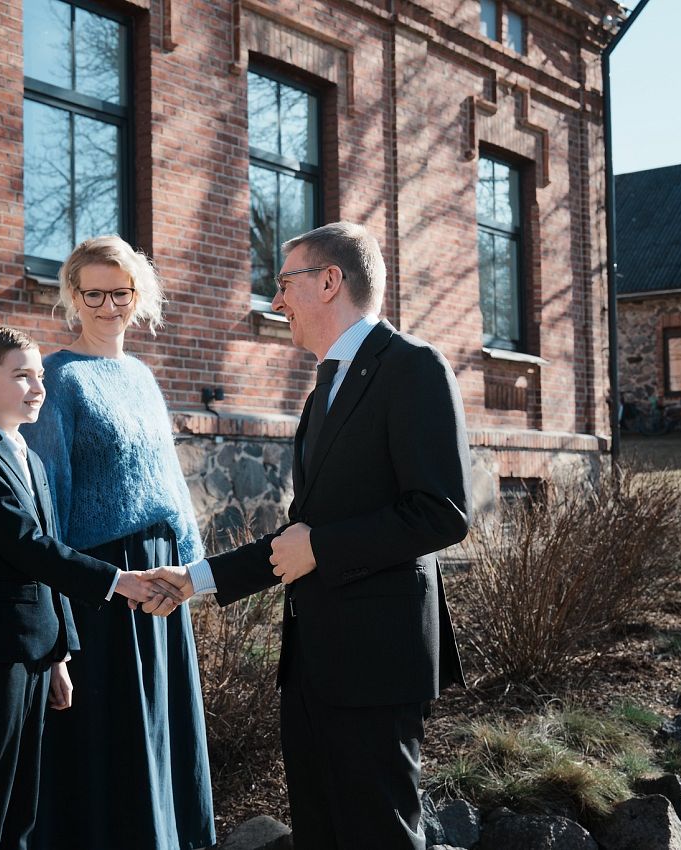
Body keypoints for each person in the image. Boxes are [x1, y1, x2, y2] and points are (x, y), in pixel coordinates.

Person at [148, 221, 469, 850]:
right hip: (312, 666)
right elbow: (302, 535)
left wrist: (320, 547)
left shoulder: (413, 367)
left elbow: (442, 512)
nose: (275, 302)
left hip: (377, 665)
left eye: (284, 282)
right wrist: (196, 580)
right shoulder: (325, 385)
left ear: (329, 282)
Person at [0, 325, 181, 850]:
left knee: (24, 805)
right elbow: (29, 547)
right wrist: (118, 581)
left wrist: (60, 654)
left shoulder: (32, 458)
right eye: (22, 377)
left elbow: (52, 552)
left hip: (38, 648)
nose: (38, 388)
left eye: (40, 377)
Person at [22, 236, 216, 850]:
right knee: (111, 742)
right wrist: (57, 622)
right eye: (94, 294)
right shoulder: (59, 379)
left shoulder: (142, 375)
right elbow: (49, 504)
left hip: (162, 579)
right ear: (72, 297)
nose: (109, 306)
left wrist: (192, 571)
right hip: (100, 587)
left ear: (139, 295)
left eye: (121, 293)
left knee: (160, 728)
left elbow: (170, 483)